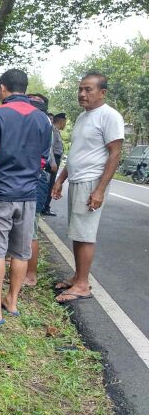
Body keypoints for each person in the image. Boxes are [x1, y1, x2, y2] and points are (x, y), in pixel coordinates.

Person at [0, 70, 52, 325]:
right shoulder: (44, 120)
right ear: (24, 90)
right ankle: (12, 302)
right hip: (27, 195)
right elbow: (43, 159)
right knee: (20, 252)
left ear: (3, 88)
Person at [51, 72, 124, 302]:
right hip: (78, 179)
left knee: (85, 234)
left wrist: (100, 189)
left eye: (88, 90)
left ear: (102, 93)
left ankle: (82, 285)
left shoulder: (110, 116)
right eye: (80, 89)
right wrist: (61, 179)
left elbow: (115, 154)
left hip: (92, 181)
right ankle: (78, 277)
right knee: (78, 232)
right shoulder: (83, 117)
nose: (82, 94)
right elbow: (76, 154)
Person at [24, 94, 57, 287]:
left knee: (30, 230)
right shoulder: (41, 121)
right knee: (23, 228)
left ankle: (30, 274)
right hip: (32, 178)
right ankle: (23, 268)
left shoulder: (41, 123)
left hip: (35, 178)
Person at [42, 113, 67, 216]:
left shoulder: (56, 131)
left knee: (50, 184)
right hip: (53, 160)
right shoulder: (53, 130)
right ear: (61, 121)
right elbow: (50, 147)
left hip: (56, 159)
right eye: (64, 122)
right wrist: (53, 162)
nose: (65, 124)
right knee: (50, 184)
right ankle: (45, 207)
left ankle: (46, 206)